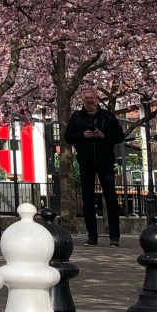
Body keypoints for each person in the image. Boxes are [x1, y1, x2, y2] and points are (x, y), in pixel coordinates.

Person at [65, 89, 125, 246]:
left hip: (105, 161)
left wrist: (104, 135)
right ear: (83, 100)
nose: (89, 100)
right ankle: (92, 236)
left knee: (111, 198)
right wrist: (82, 135)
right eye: (86, 98)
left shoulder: (107, 116)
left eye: (91, 97)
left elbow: (119, 136)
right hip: (86, 162)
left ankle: (114, 237)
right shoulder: (77, 117)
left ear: (97, 99)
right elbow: (68, 137)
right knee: (87, 200)